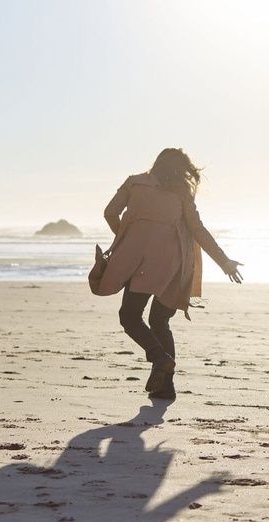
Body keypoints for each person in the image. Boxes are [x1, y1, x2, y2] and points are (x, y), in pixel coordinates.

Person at [99, 148, 242, 400]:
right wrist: (225, 262)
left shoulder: (134, 183)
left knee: (129, 316)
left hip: (140, 263)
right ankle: (166, 387)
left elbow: (110, 212)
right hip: (175, 266)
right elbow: (197, 230)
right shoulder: (182, 193)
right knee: (160, 321)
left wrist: (128, 237)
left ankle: (160, 358)